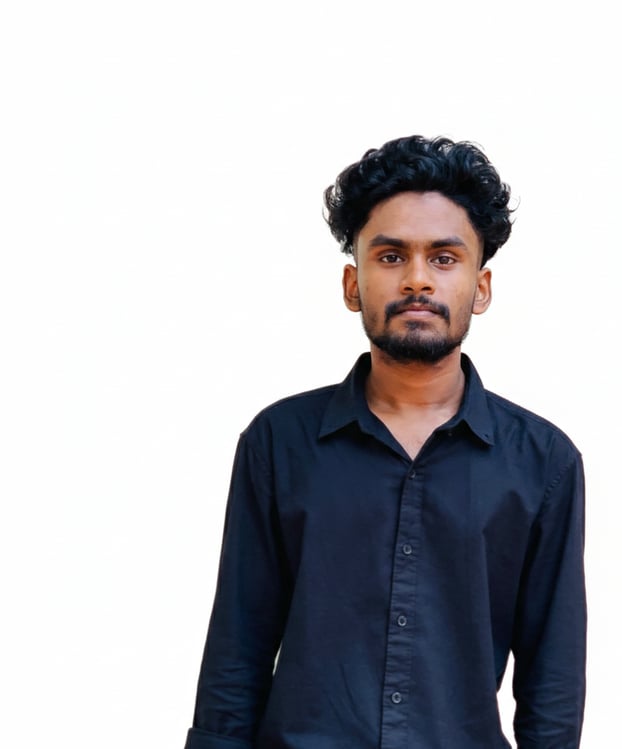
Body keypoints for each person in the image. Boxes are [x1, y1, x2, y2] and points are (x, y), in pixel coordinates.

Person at [183, 135, 586, 749]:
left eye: (444, 258)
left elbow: (552, 676)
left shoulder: (544, 463)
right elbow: (238, 647)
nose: (417, 280)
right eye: (392, 256)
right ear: (353, 284)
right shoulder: (279, 443)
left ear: (481, 287)